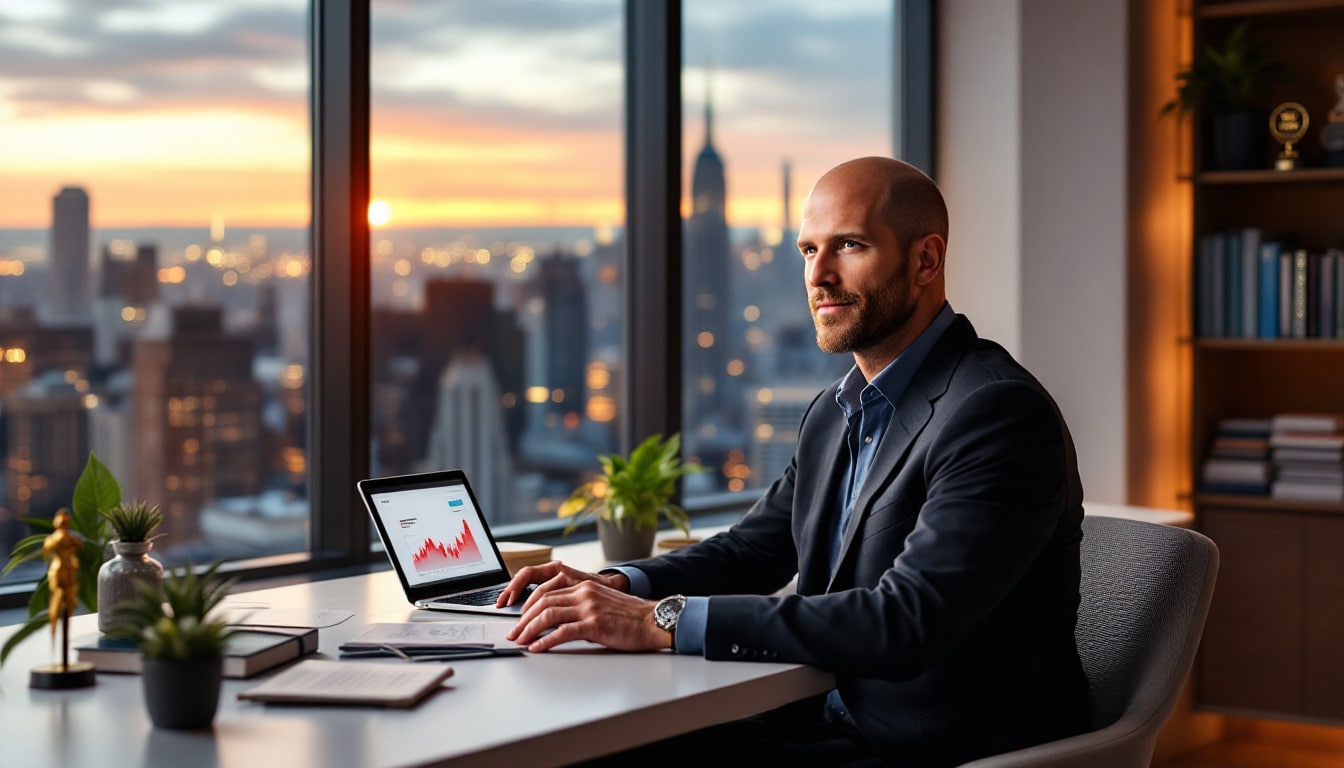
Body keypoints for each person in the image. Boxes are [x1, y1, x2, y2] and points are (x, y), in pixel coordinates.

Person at [498, 156, 1089, 766]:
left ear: (925, 261)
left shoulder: (996, 412)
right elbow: (753, 550)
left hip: (929, 749)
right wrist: (617, 586)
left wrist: (659, 620)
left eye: (849, 246)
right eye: (808, 250)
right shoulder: (836, 412)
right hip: (825, 723)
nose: (819, 275)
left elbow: (905, 622)